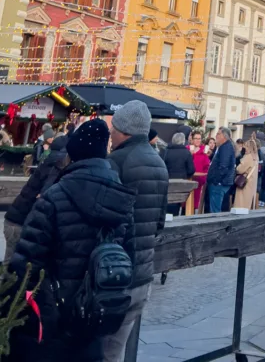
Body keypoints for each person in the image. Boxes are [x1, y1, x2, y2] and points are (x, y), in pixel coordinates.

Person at [8, 119, 135, 362]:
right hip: (95, 308)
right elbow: (131, 252)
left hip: (51, 313)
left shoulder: (54, 195)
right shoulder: (122, 197)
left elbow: (26, 262)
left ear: (74, 152)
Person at [102, 100, 168, 362]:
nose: (110, 135)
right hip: (142, 274)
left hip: (114, 274)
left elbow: (105, 218)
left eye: (113, 129)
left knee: (101, 350)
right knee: (116, 350)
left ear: (124, 131)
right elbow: (159, 223)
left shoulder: (116, 161)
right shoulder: (159, 164)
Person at [4, 134, 68, 264]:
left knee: (8, 264)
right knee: (17, 268)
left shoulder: (47, 162)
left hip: (13, 218)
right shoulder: (56, 166)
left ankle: (1, 282)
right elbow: (45, 196)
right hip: (23, 222)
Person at [208, 127, 236, 213]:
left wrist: (216, 180)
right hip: (220, 182)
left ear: (224, 136)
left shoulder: (226, 147)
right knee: (215, 207)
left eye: (218, 134)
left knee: (215, 210)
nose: (216, 136)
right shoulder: (224, 146)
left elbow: (223, 166)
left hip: (219, 183)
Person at [234, 137, 259, 210]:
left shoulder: (248, 157)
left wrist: (237, 167)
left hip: (244, 183)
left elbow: (239, 169)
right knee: (247, 203)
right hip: (251, 183)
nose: (245, 149)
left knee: (241, 204)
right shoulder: (256, 156)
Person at [189, 131, 210, 212]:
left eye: (199, 139)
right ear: (192, 139)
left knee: (195, 205)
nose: (198, 140)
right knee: (186, 205)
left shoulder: (204, 152)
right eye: (196, 138)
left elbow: (206, 167)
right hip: (188, 180)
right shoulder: (187, 149)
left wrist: (203, 178)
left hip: (198, 182)